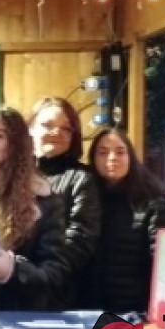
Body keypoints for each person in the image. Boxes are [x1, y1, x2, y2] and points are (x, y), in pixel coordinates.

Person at [0, 106, 72, 310]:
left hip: (15, 315)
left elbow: (54, 274)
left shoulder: (43, 200)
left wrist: (13, 271)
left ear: (16, 143)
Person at [80, 128, 165, 314]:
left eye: (120, 152)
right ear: (93, 159)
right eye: (103, 152)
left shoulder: (152, 205)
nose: (112, 158)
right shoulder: (85, 202)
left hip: (134, 314)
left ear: (130, 157)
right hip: (87, 312)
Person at [28, 97, 100, 297]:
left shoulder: (82, 178)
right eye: (47, 125)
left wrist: (37, 275)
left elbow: (80, 239)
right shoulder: (14, 174)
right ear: (30, 128)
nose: (57, 132)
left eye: (66, 128)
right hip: (8, 282)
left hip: (59, 291)